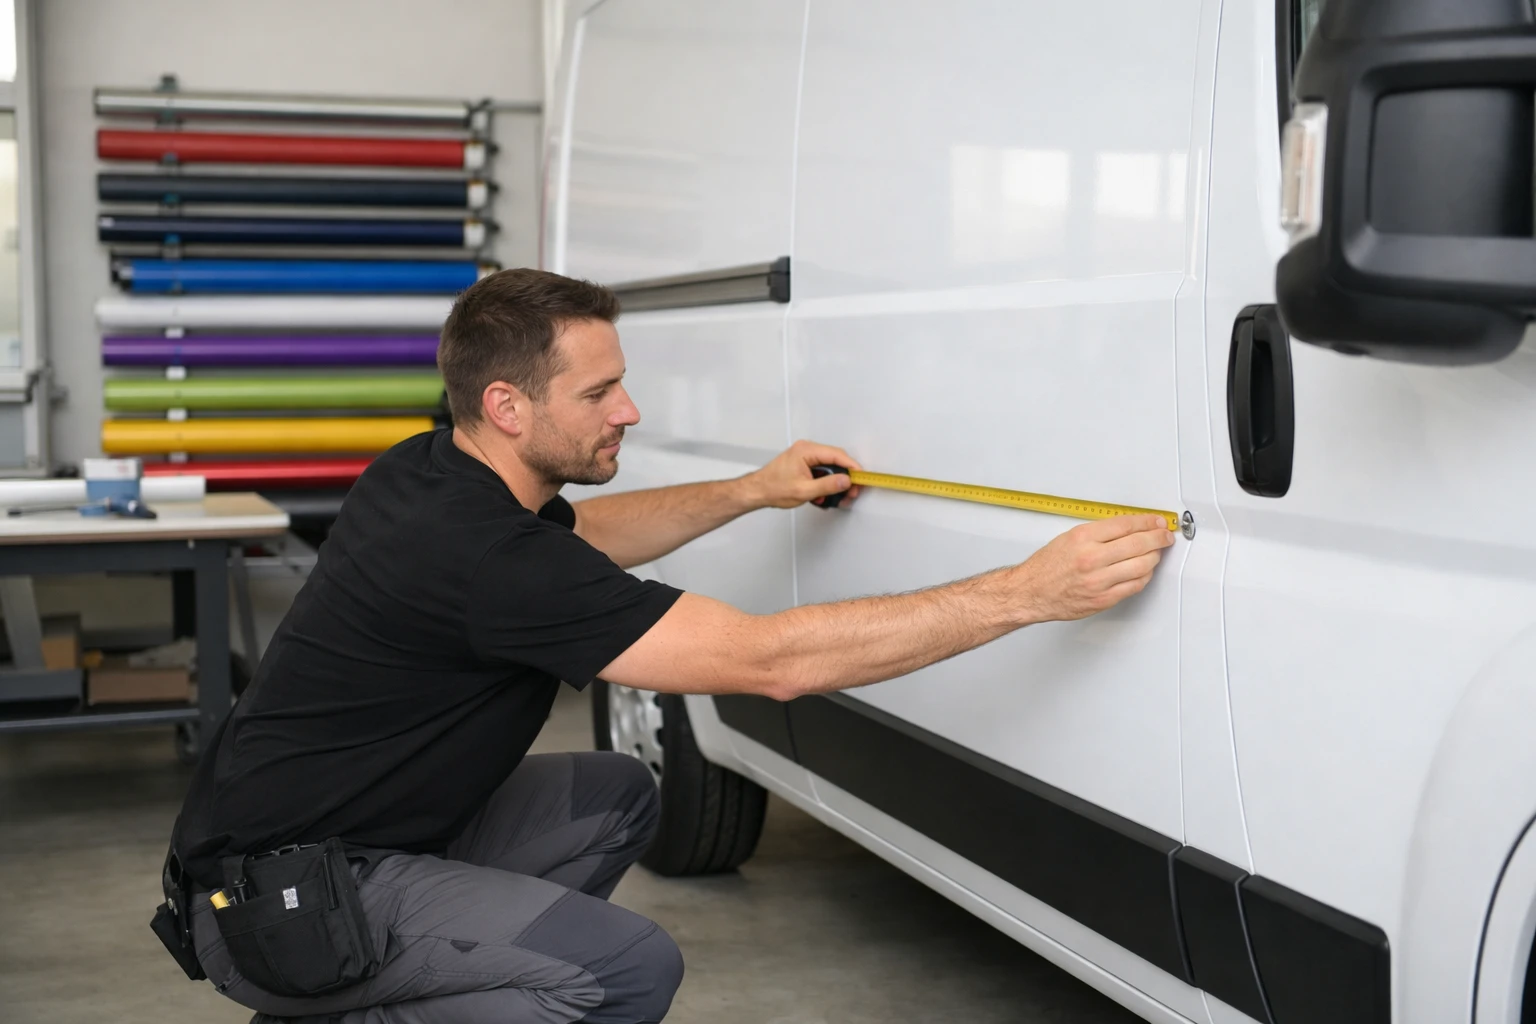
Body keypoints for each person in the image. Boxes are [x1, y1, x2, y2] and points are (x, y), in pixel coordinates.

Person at [167, 268, 1173, 1024]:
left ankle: (411, 971)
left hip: (346, 848)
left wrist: (751, 490)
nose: (629, 411)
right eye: (598, 393)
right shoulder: (482, 554)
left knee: (616, 795)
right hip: (278, 903)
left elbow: (585, 538)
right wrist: (1024, 593)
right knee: (624, 969)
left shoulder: (436, 471)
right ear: (508, 405)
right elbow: (772, 662)